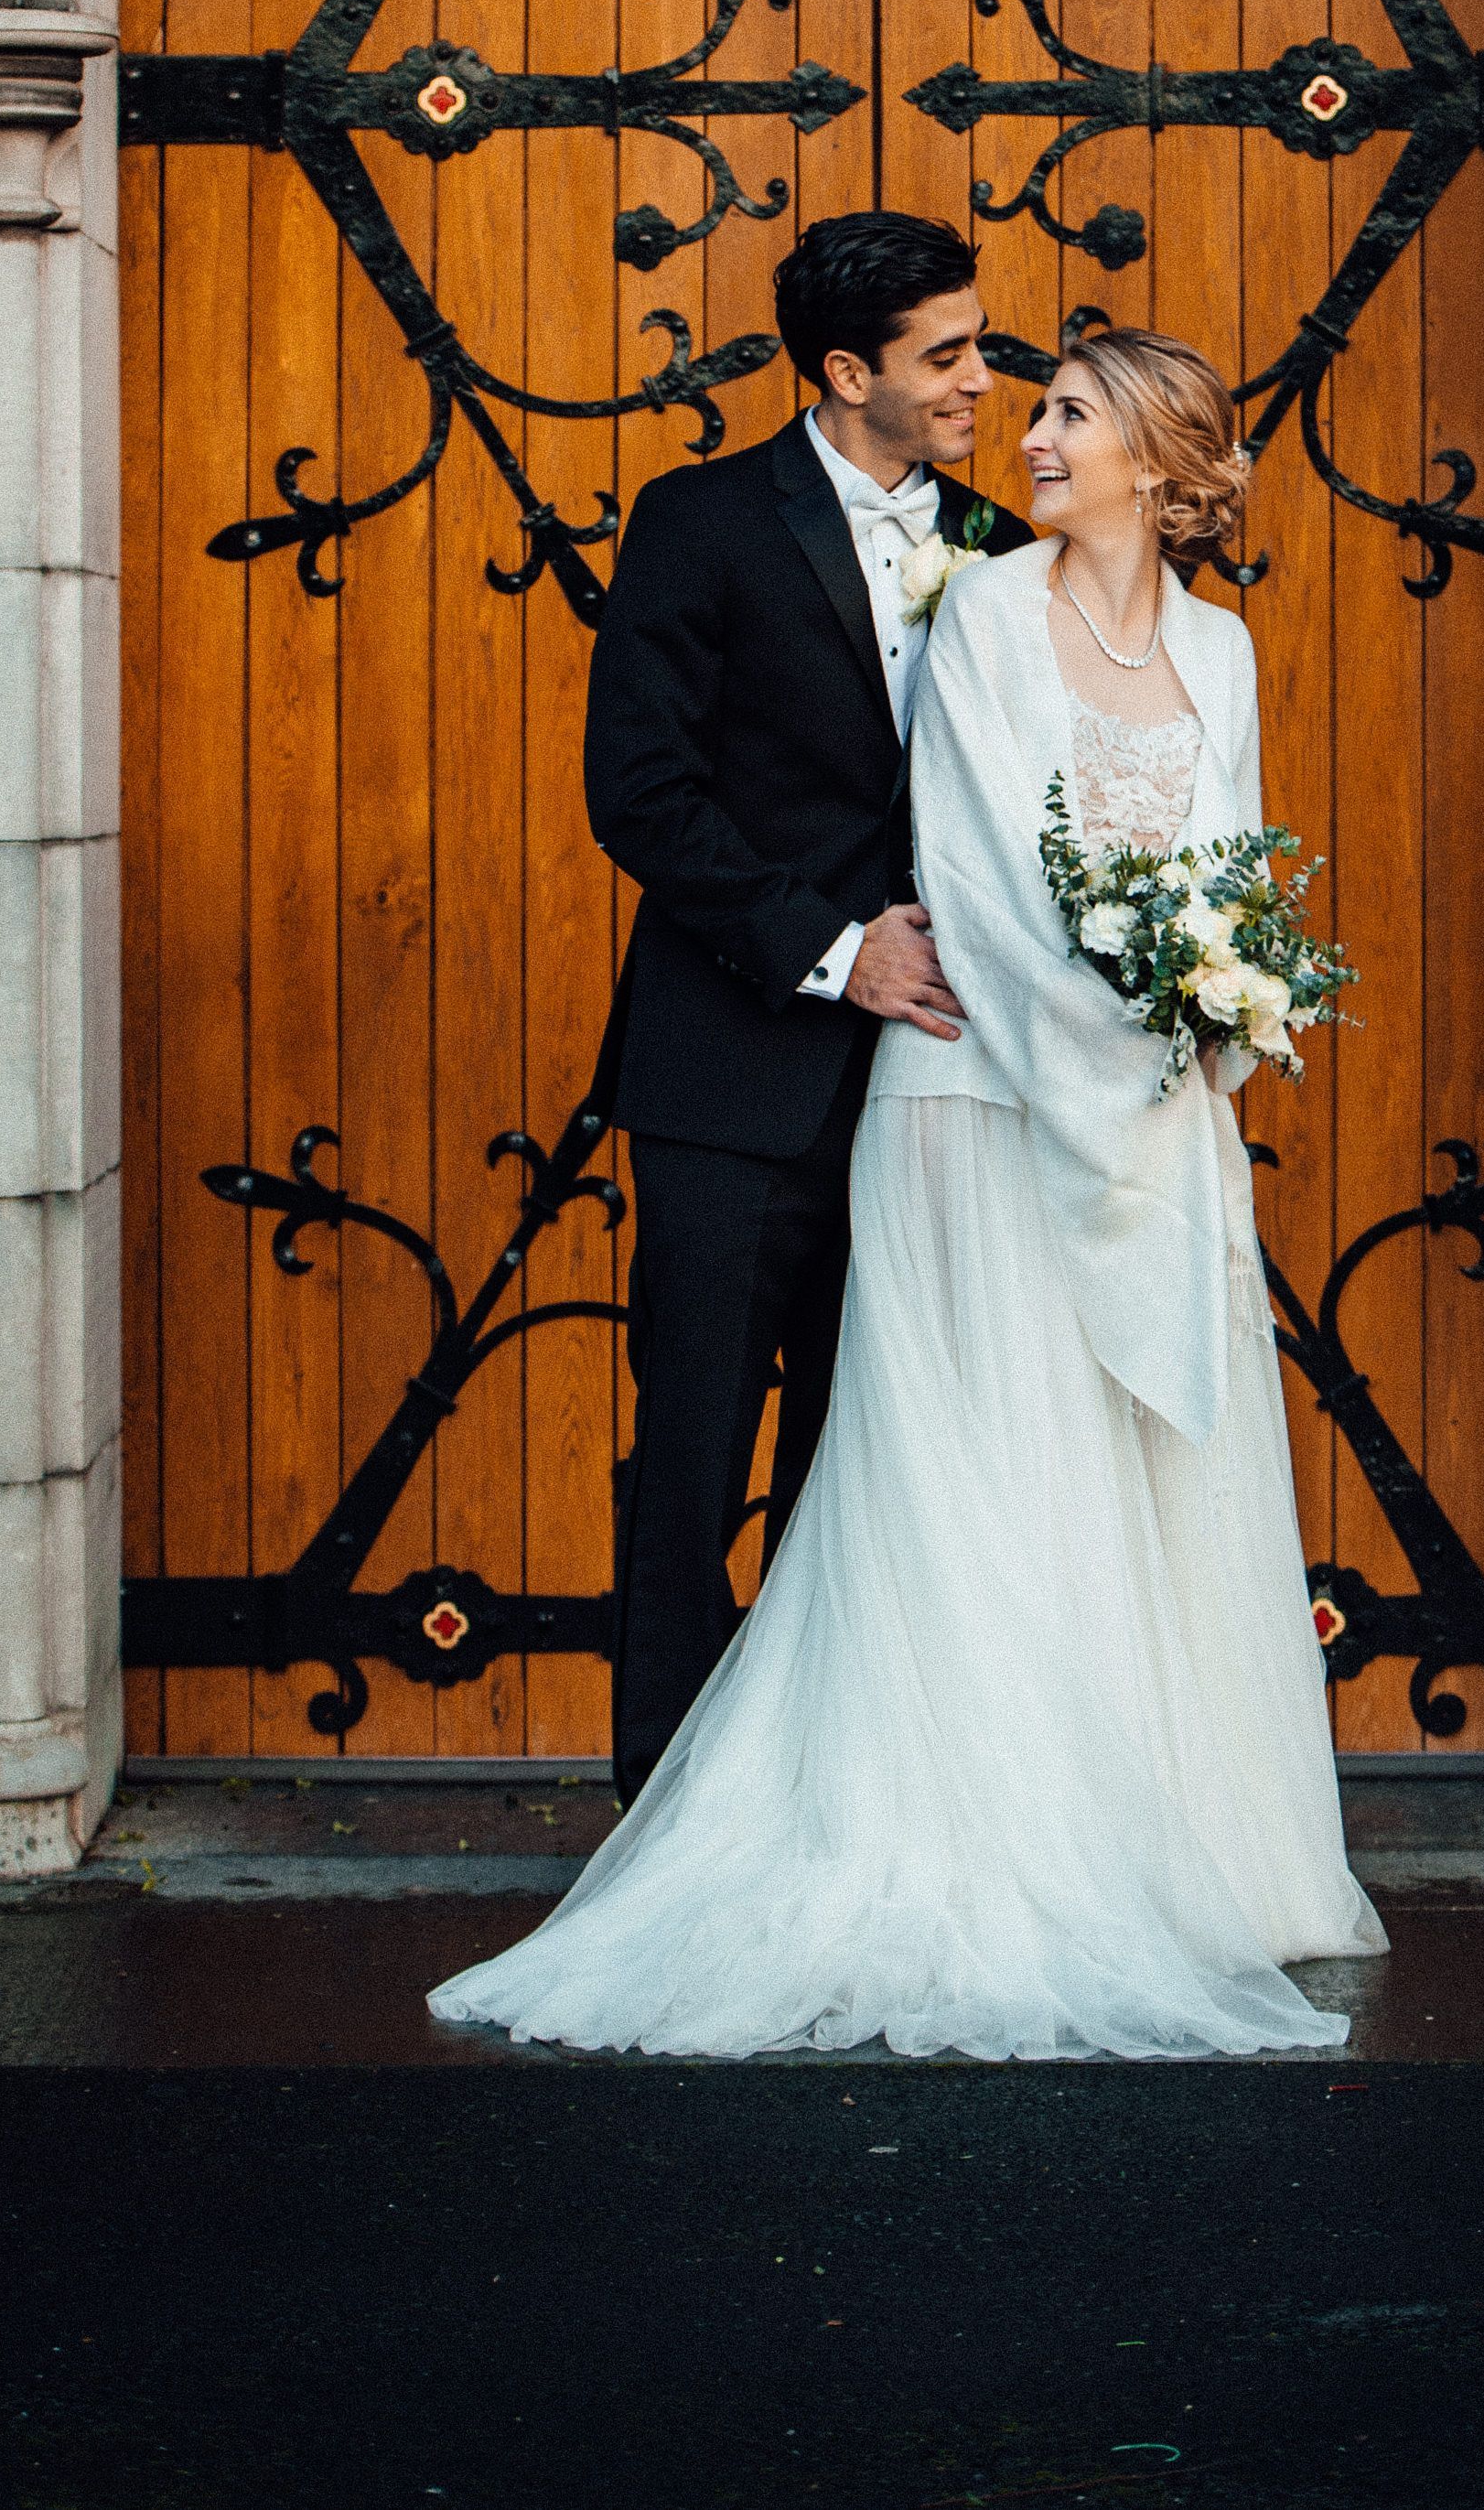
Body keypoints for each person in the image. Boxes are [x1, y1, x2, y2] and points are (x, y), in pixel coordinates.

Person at [431, 321, 1384, 2059]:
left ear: (1162, 467)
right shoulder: (983, 611)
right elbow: (977, 865)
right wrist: (1102, 1052)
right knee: (978, 1455)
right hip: (979, 1094)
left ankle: (1174, 1840)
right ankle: (949, 1830)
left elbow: (1229, 864)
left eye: (1070, 413)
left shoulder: (1225, 650)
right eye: (1023, 400)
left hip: (1155, 1111)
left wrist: (1217, 1026)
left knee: (1129, 1464)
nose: (1025, 431)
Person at [578, 210, 1035, 1809]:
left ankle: (832, 1793)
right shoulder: (700, 523)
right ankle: (663, 1809)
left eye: (980, 344)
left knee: (863, 1461)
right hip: (730, 1067)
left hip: (929, 1090)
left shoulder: (997, 540)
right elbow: (637, 793)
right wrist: (841, 947)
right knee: (694, 1452)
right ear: (847, 374)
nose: (985, 376)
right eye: (947, 355)